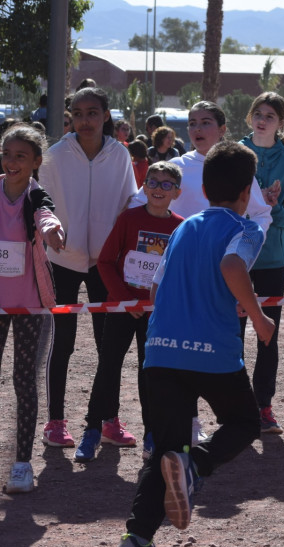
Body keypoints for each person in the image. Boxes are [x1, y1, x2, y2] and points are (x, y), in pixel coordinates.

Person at [110, 141, 273, 547]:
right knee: (244, 423)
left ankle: (136, 542)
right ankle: (196, 466)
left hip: (161, 350)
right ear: (246, 191)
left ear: (203, 186)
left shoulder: (183, 228)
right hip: (212, 351)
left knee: (164, 448)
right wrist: (258, 317)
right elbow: (233, 267)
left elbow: (156, 289)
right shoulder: (247, 228)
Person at [129, 100, 274, 445]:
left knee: (207, 352)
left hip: (221, 285)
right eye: (191, 122)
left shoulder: (236, 168)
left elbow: (261, 215)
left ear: (222, 129)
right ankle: (188, 434)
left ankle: (188, 450)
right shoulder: (175, 167)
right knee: (184, 354)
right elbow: (138, 205)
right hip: (180, 275)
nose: (197, 129)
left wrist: (243, 258)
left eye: (206, 122)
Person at [39, 87, 138, 448]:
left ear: (106, 115)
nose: (85, 120)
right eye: (78, 113)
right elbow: (43, 203)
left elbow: (130, 202)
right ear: (70, 116)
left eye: (92, 112)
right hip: (61, 261)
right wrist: (49, 229)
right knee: (61, 342)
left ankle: (108, 419)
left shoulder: (120, 156)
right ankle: (55, 422)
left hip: (106, 264)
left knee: (107, 345)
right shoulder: (55, 156)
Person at [73, 162, 185, 463]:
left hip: (156, 312)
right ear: (144, 186)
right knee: (108, 367)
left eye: (166, 184)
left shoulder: (181, 226)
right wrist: (124, 299)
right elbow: (107, 262)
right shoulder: (129, 219)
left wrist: (161, 303)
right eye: (153, 182)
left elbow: (180, 272)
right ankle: (93, 431)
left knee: (151, 371)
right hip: (123, 307)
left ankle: (152, 433)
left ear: (177, 191)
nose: (159, 188)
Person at [0, 124, 65, 492]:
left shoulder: (37, 197)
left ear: (36, 162)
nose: (11, 162)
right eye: (7, 154)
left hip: (29, 306)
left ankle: (22, 464)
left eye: (20, 156)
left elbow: (47, 217)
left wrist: (53, 231)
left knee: (24, 382)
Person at [240, 92, 284, 435]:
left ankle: (263, 406)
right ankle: (234, 405)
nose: (262, 120)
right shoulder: (233, 153)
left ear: (281, 123)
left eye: (270, 116)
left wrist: (271, 207)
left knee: (267, 335)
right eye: (258, 113)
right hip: (233, 256)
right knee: (230, 332)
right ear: (250, 116)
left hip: (271, 261)